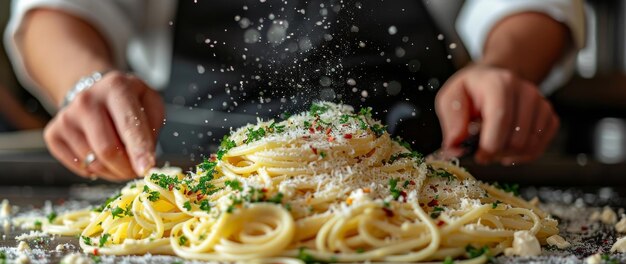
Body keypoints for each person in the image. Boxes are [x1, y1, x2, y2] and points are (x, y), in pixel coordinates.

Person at [4, 0, 584, 181]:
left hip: (418, 173)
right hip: (193, 175)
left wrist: (505, 65)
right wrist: (89, 82)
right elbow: (58, 12)